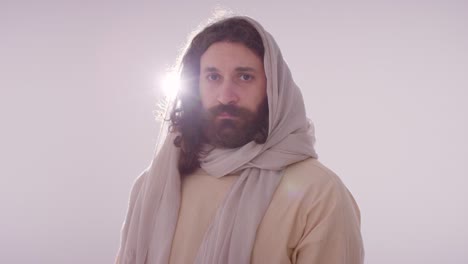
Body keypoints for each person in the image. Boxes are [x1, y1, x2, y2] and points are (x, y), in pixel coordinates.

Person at [116, 15, 364, 264]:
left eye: (244, 77)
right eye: (213, 77)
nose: (226, 96)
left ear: (272, 90)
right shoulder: (153, 186)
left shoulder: (320, 193)